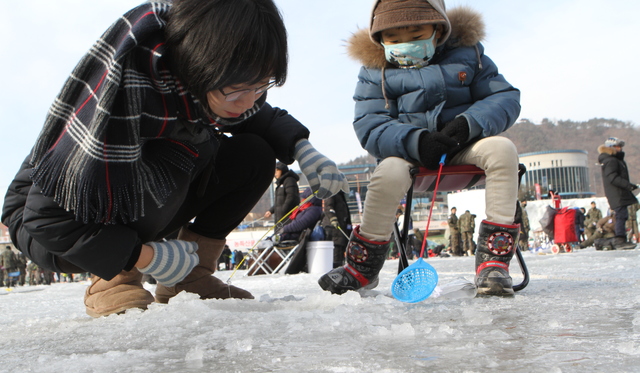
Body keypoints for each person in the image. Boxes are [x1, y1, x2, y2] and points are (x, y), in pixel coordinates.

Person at [1, 0, 348, 317]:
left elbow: (258, 113)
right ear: (202, 64)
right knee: (182, 152)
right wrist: (147, 257)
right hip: (54, 221)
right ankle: (118, 279)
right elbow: (43, 219)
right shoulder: (122, 94)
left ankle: (189, 277)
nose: (247, 101)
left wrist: (303, 147)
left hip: (135, 199)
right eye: (237, 89)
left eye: (260, 86)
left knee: (253, 153)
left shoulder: (205, 85)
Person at [319, 0, 521, 297]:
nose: (405, 44)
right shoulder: (375, 71)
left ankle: (494, 263)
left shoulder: (468, 54)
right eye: (394, 39)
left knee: (503, 149)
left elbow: (504, 98)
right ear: (381, 39)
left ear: (438, 31)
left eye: (416, 36)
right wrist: (417, 141)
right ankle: (361, 269)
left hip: (464, 145)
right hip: (410, 156)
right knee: (386, 171)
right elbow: (370, 124)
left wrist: (467, 125)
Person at [598, 137, 638, 250]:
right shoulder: (611, 161)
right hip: (617, 193)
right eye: (618, 147)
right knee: (621, 215)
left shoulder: (615, 160)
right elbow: (613, 178)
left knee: (622, 215)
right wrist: (627, 185)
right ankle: (619, 239)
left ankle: (620, 238)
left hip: (619, 193)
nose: (620, 149)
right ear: (611, 148)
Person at [322, 191, 353, 268]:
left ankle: (339, 265)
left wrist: (348, 226)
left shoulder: (340, 195)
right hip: (333, 228)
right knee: (336, 248)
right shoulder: (332, 192)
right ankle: (336, 266)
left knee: (341, 247)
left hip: (341, 227)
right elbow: (328, 207)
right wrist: (333, 218)